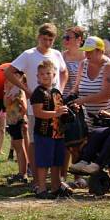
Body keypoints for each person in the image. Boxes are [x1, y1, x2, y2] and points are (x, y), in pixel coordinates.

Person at [5, 23, 68, 185]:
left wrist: (59, 90)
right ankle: (35, 177)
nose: (47, 43)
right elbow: (9, 72)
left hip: (55, 106)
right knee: (35, 141)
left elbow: (64, 72)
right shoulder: (29, 54)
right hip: (37, 105)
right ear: (39, 37)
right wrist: (25, 89)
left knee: (56, 139)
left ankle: (56, 180)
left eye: (51, 40)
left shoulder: (56, 54)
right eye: (44, 39)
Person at [30, 60, 70, 199]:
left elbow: (60, 109)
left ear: (54, 75)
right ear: (37, 76)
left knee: (57, 161)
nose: (45, 76)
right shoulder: (38, 92)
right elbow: (38, 112)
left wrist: (67, 110)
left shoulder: (56, 91)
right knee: (43, 161)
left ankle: (55, 186)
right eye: (42, 74)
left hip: (58, 133)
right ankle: (41, 188)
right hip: (44, 133)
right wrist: (56, 113)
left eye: (48, 73)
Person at [71, 37, 110, 129]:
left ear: (100, 51)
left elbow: (106, 95)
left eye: (90, 51)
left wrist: (81, 101)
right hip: (89, 120)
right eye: (85, 51)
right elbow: (76, 88)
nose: (86, 54)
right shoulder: (83, 64)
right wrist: (70, 98)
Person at [4, 69, 28, 183]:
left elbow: (24, 107)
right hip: (11, 121)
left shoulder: (19, 90)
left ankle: (23, 173)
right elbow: (6, 104)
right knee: (18, 147)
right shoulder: (10, 89)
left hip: (17, 120)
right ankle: (21, 172)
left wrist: (21, 118)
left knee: (20, 147)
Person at [61, 26, 85, 97]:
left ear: (79, 39)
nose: (65, 40)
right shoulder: (61, 56)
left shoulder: (88, 57)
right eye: (64, 37)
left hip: (83, 100)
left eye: (68, 38)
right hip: (65, 100)